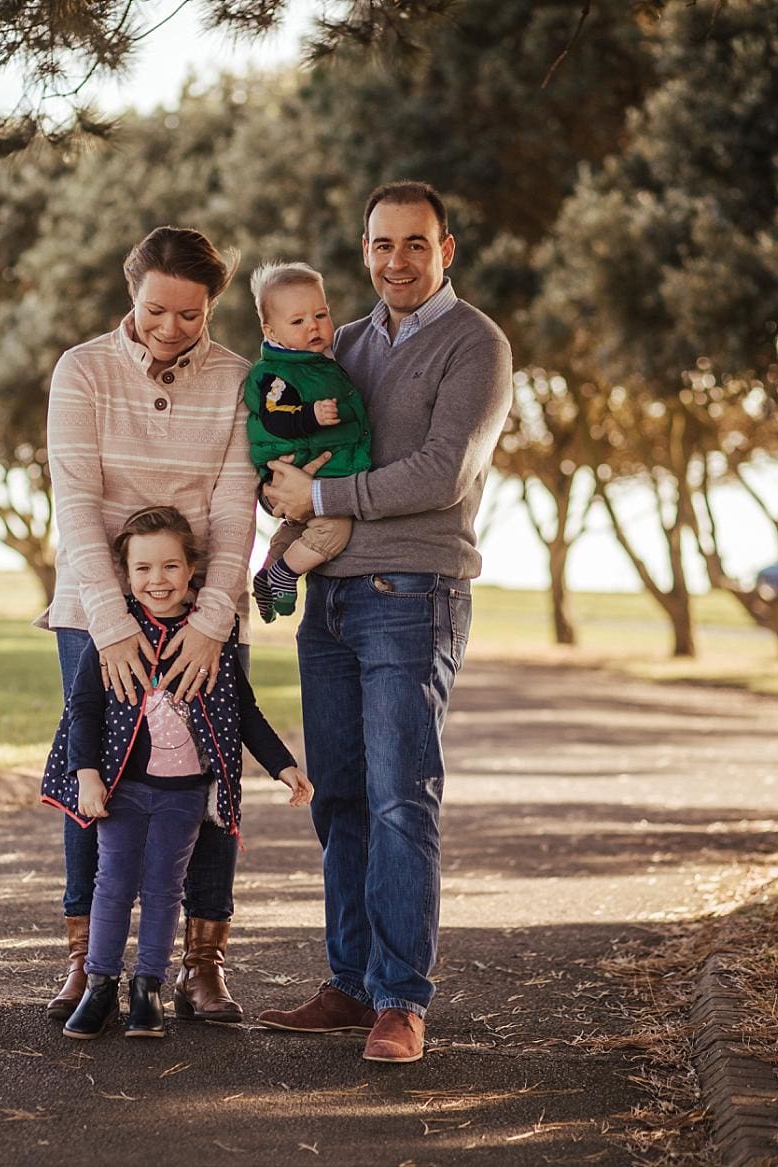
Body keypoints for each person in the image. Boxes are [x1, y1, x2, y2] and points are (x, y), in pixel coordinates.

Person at [256, 182, 513, 1064]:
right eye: (379, 245)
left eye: (414, 243)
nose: (395, 261)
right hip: (326, 597)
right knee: (341, 795)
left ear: (449, 248)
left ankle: (402, 998)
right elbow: (291, 453)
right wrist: (277, 500)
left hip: (414, 594)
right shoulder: (344, 342)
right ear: (362, 249)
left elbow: (442, 472)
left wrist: (321, 497)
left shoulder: (476, 344)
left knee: (404, 797)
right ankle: (350, 982)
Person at [37, 226, 262, 1024]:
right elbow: (75, 504)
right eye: (156, 311)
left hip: (203, 613)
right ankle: (83, 963)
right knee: (95, 782)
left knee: (203, 782)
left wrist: (211, 621)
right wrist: (112, 625)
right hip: (96, 611)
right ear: (131, 295)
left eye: (191, 316)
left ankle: (203, 965)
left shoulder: (240, 379)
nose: (171, 329)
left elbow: (235, 515)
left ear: (212, 308)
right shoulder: (82, 370)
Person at [41, 507, 312, 1039]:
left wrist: (283, 766)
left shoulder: (214, 635)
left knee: (166, 889)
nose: (156, 580)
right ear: (126, 574)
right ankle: (99, 986)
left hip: (185, 795)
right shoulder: (112, 632)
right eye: (143, 569)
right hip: (124, 787)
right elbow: (84, 710)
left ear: (193, 571)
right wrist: (88, 776)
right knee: (113, 885)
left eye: (169, 567)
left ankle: (148, 990)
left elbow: (244, 712)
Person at [242, 261, 371, 623]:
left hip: (316, 471)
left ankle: (269, 572)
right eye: (298, 321)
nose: (313, 326)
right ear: (271, 330)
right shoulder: (276, 373)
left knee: (296, 529)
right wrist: (310, 416)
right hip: (302, 467)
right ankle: (286, 574)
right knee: (334, 529)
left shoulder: (319, 363)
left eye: (320, 314)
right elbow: (274, 417)